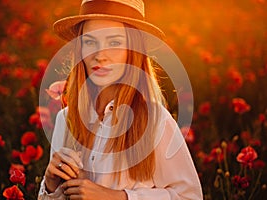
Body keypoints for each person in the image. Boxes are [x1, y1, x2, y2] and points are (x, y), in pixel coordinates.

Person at [38, 0, 203, 199]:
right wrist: (50, 186)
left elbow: (190, 196)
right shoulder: (66, 120)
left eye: (114, 42)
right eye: (90, 42)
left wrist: (118, 197)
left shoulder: (155, 121)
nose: (100, 55)